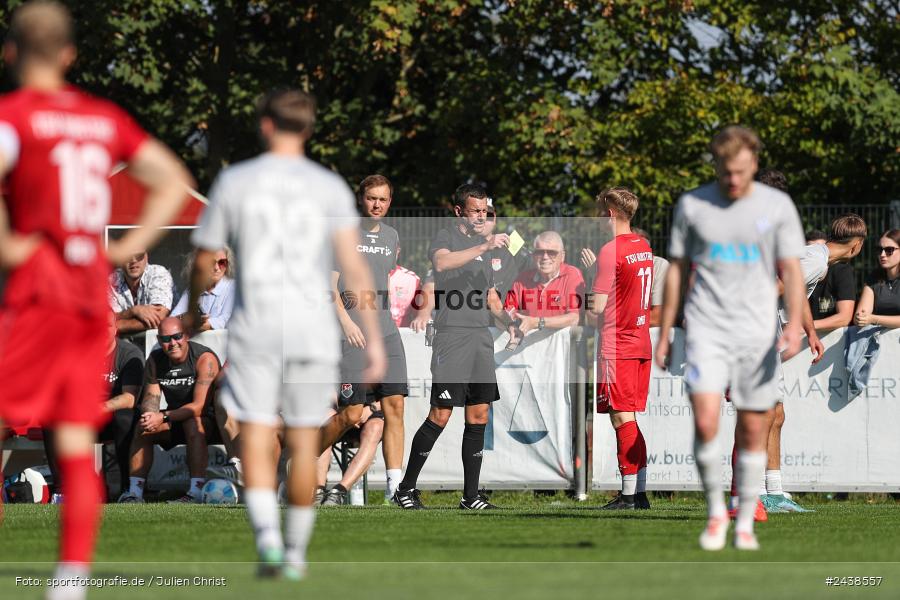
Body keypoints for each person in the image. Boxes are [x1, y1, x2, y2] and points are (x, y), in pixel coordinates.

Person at [0, 2, 192, 595]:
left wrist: (12, 246)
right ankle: (70, 579)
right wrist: (122, 247)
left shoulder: (13, 117)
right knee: (74, 439)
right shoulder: (102, 119)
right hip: (87, 301)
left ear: (9, 51)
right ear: (69, 56)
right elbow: (167, 176)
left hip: (35, 293)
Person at [184, 88, 386, 579]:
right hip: (311, 331)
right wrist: (375, 338)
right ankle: (295, 548)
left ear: (265, 125)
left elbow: (206, 256)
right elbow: (355, 269)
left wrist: (192, 310)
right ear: (310, 128)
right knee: (303, 438)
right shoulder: (329, 187)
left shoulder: (236, 180)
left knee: (254, 432)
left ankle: (268, 539)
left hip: (258, 329)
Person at [655, 126, 808, 551]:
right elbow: (678, 274)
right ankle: (716, 510)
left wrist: (795, 324)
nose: (734, 180)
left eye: (741, 171)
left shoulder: (776, 207)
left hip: (756, 329)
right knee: (705, 420)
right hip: (706, 325)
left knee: (755, 421)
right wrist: (666, 331)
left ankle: (747, 508)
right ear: (715, 166)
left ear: (754, 164)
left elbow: (792, 270)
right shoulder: (693, 206)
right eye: (725, 172)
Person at [392, 183, 513, 510]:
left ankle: (470, 496)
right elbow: (442, 264)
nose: (481, 216)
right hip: (452, 335)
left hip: (480, 337)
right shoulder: (447, 236)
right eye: (475, 211)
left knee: (479, 414)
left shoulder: (483, 249)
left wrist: (510, 321)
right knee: (441, 413)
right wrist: (485, 245)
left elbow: (490, 297)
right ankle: (405, 489)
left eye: (484, 211)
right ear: (459, 211)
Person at [321, 174, 408, 503]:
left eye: (383, 199)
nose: (377, 205)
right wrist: (345, 323)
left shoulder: (392, 235)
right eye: (372, 198)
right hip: (353, 335)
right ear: (361, 199)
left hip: (385, 331)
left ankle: (396, 490)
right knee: (352, 414)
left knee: (395, 406)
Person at [586, 188, 654, 510]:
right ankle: (637, 492)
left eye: (600, 212)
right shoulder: (644, 245)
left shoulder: (610, 250)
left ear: (610, 214)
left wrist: (585, 286)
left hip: (618, 344)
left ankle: (629, 496)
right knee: (630, 418)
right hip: (640, 341)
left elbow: (596, 308)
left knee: (621, 418)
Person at [118, 317, 223, 503]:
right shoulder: (155, 360)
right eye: (166, 339)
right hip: (175, 419)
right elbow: (151, 398)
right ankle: (134, 493)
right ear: (159, 341)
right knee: (142, 426)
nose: (172, 343)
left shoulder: (204, 359)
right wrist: (149, 416)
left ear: (186, 336)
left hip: (209, 422)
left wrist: (164, 416)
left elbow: (199, 407)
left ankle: (196, 492)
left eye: (177, 337)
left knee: (193, 422)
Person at [43, 311, 144, 502]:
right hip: (83, 418)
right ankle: (62, 492)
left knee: (126, 417)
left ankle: (126, 490)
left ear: (115, 328)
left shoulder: (129, 353)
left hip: (111, 419)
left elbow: (130, 399)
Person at [503, 230, 584, 339]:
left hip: (562, 351)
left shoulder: (572, 275)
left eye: (551, 252)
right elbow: (506, 314)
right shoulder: (522, 279)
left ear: (562, 256)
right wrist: (509, 324)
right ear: (533, 255)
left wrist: (537, 322)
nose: (545, 257)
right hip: (529, 351)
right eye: (540, 252)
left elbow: (574, 318)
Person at [317, 402, 384, 506]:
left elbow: (392, 398)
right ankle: (318, 491)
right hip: (339, 414)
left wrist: (371, 408)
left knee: (376, 426)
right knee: (326, 417)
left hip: (368, 416)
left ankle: (339, 492)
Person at [108, 250, 175, 334]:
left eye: (139, 255)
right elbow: (106, 319)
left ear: (146, 257)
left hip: (167, 341)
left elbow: (158, 317)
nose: (133, 260)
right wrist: (133, 311)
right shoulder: (111, 280)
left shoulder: (158, 273)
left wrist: (116, 326)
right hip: (126, 342)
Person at [171, 246, 236, 331]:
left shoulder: (233, 287)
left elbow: (226, 319)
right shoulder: (192, 289)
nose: (216, 268)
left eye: (222, 262)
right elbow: (172, 319)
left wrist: (191, 322)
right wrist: (184, 317)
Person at [855, 229, 900, 329]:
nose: (882, 255)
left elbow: (870, 318)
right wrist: (861, 318)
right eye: (880, 250)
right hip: (878, 341)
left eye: (889, 250)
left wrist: (873, 319)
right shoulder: (874, 278)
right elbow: (860, 317)